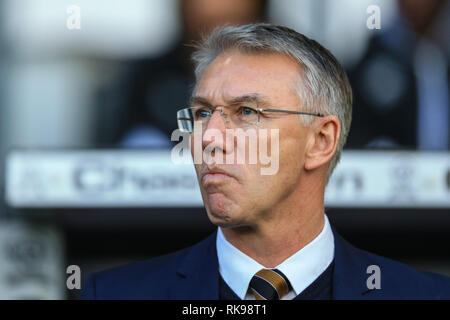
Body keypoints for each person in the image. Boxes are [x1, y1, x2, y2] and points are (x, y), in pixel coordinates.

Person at [82, 24, 450, 300]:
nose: (208, 137)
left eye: (245, 112)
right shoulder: (115, 294)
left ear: (320, 141)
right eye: (202, 113)